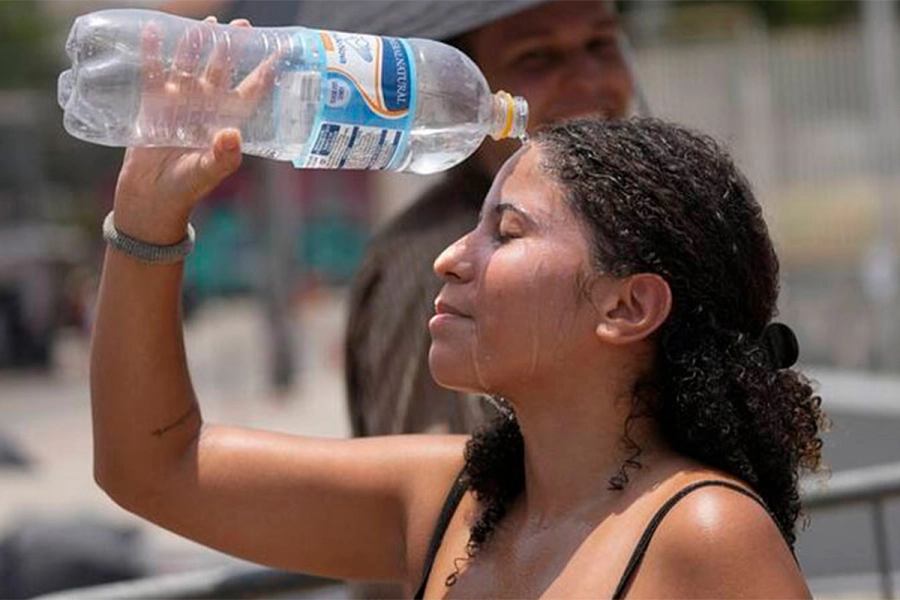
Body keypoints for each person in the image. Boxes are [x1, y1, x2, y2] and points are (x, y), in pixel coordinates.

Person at [91, 100, 825, 596]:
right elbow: (153, 466)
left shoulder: (707, 534)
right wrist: (146, 222)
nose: (450, 257)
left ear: (627, 306)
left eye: (505, 232)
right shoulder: (450, 499)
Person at [343, 0, 637, 437]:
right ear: (458, 89)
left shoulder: (627, 226)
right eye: (536, 56)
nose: (589, 79)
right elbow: (431, 491)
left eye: (600, 43)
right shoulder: (436, 264)